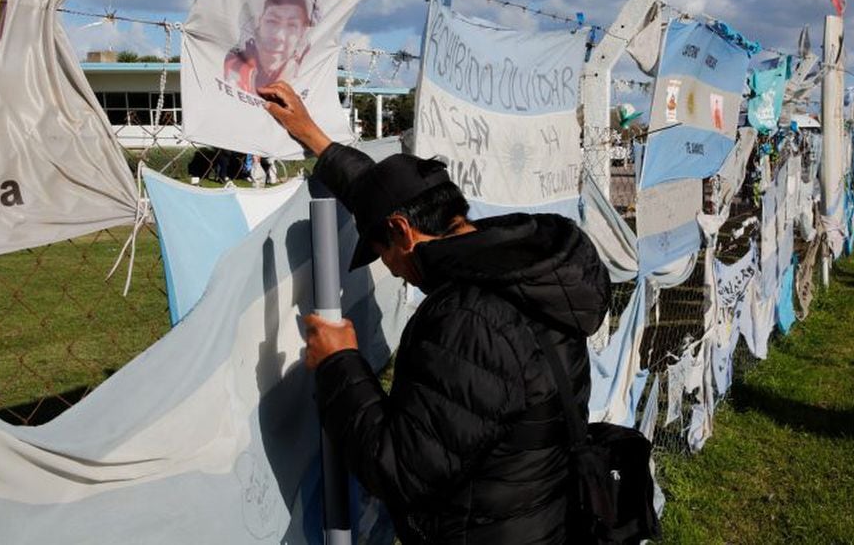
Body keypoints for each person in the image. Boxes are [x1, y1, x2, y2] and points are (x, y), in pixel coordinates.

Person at [260, 80, 613, 544]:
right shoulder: (519, 262)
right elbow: (385, 195)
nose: (391, 268)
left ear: (403, 231)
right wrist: (313, 137)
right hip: (539, 515)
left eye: (381, 251)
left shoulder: (466, 323)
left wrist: (338, 363)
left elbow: (400, 469)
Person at [223, 0, 315, 96]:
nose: (279, 36)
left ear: (302, 33)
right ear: (260, 22)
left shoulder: (307, 77)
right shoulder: (230, 65)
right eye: (272, 21)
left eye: (292, 25)